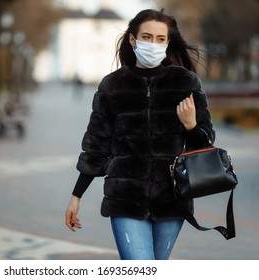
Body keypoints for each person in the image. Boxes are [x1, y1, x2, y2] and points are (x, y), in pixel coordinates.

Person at [65, 9, 215, 260]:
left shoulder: (186, 83)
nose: (153, 44)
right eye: (146, 37)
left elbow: (206, 143)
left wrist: (191, 126)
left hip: (172, 200)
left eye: (160, 39)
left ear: (167, 43)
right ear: (133, 40)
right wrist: (76, 195)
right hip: (125, 198)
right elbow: (95, 146)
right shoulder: (112, 85)